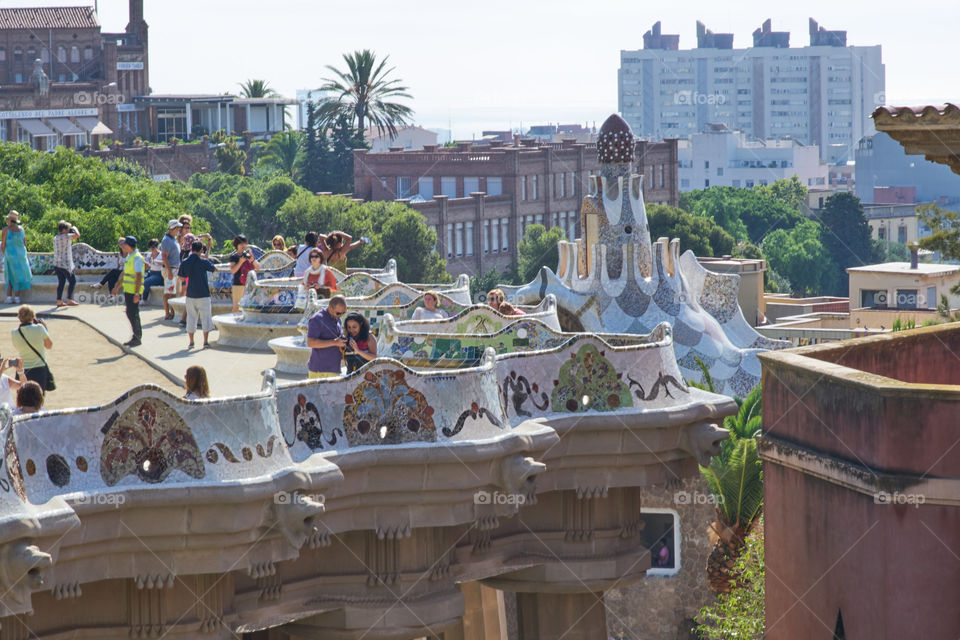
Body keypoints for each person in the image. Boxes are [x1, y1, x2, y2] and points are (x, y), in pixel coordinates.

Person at [178, 240, 217, 348]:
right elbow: (215, 269)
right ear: (201, 250)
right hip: (203, 294)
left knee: (191, 318)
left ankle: (191, 342)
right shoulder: (203, 262)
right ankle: (205, 342)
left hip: (190, 294)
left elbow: (181, 277)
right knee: (206, 318)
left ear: (191, 249)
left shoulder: (185, 262)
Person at [111, 235, 144, 347]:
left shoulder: (137, 258)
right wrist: (117, 287)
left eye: (124, 244)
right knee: (131, 312)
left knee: (132, 313)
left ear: (129, 245)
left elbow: (139, 276)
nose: (123, 246)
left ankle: (137, 337)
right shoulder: (130, 256)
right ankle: (136, 336)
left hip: (133, 290)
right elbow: (124, 273)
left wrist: (137, 293)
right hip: (128, 289)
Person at [11, 305, 53, 390]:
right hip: (39, 368)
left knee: (22, 398)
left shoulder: (14, 332)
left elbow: (17, 346)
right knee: (39, 398)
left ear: (19, 318)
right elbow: (49, 346)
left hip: (22, 369)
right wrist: (45, 329)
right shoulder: (40, 328)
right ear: (33, 316)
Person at [306, 295, 347, 378]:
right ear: (330, 307)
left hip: (334, 368)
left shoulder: (337, 318)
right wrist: (334, 342)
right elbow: (310, 343)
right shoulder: (317, 319)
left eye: (343, 313)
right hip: (319, 370)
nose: (341, 315)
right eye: (338, 313)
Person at [2, 210, 32, 304]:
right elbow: (24, 243)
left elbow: (3, 245)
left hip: (10, 255)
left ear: (9, 220)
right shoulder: (21, 229)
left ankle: (9, 296)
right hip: (21, 255)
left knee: (10, 276)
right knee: (18, 276)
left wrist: (5, 254)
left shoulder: (5, 230)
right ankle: (17, 297)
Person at [228, 235, 260, 313]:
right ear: (236, 245)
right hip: (238, 285)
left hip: (250, 285)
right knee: (237, 307)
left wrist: (252, 260)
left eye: (244, 243)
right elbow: (233, 271)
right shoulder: (234, 256)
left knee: (249, 307)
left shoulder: (249, 255)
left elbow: (258, 267)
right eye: (240, 244)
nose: (243, 245)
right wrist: (240, 262)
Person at [53, 220, 80, 307]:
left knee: (61, 282)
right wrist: (75, 228)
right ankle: (69, 299)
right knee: (72, 281)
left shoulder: (55, 238)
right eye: (68, 229)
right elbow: (77, 235)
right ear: (64, 229)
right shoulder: (66, 236)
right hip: (66, 264)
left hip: (57, 263)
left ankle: (59, 300)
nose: (69, 230)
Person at [160, 219, 183, 320]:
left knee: (173, 292)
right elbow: (164, 256)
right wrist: (169, 271)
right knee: (168, 292)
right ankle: (167, 313)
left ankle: (172, 312)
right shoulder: (166, 240)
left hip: (175, 269)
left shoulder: (173, 239)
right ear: (172, 228)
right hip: (171, 269)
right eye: (177, 228)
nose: (179, 229)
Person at [142, 239, 164, 303]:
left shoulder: (161, 255)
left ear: (157, 247)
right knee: (140, 279)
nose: (151, 249)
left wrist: (155, 261)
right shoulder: (149, 255)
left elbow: (165, 263)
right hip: (151, 273)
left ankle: (144, 299)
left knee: (147, 282)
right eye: (150, 248)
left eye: (153, 248)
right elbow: (146, 266)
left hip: (159, 275)